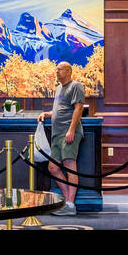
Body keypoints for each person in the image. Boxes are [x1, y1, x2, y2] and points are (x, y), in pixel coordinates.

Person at [39, 61, 85, 216]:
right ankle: (67, 200)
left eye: (59, 69)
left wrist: (71, 130)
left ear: (68, 71)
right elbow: (60, 110)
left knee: (69, 164)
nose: (56, 71)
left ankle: (71, 205)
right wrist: (46, 114)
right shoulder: (59, 88)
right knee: (53, 168)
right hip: (56, 134)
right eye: (56, 69)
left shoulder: (76, 86)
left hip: (68, 132)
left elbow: (78, 109)